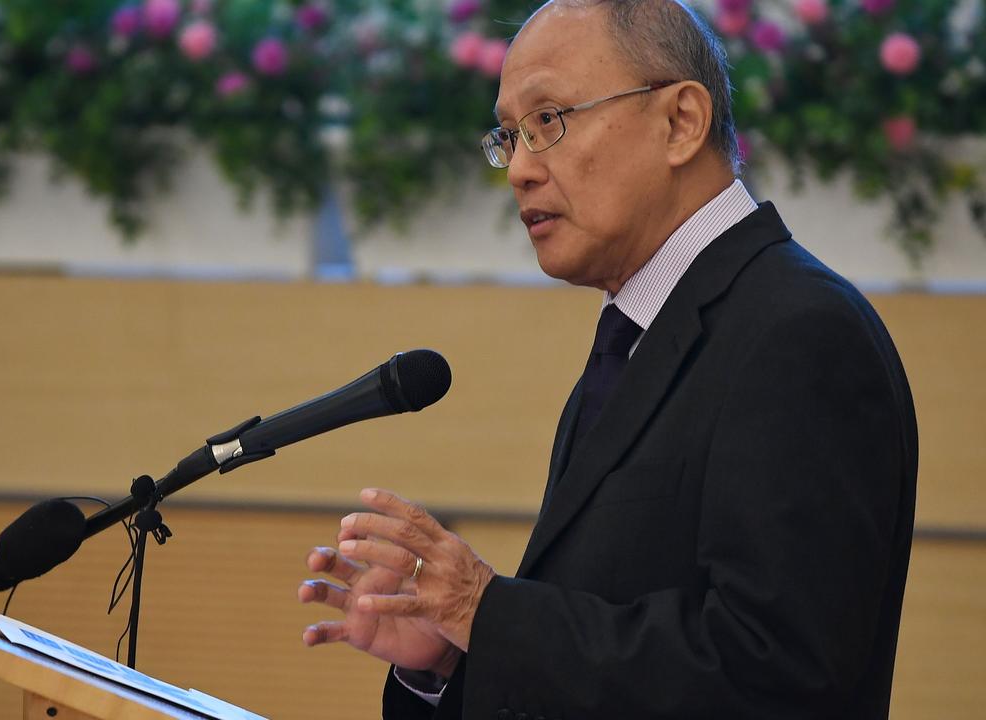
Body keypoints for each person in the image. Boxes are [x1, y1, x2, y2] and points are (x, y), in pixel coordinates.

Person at [297, 0, 919, 718]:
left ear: (681, 122)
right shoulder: (636, 333)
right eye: (510, 135)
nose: (520, 170)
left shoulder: (799, 335)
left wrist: (490, 612)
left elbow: (779, 675)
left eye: (550, 121)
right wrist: (453, 656)